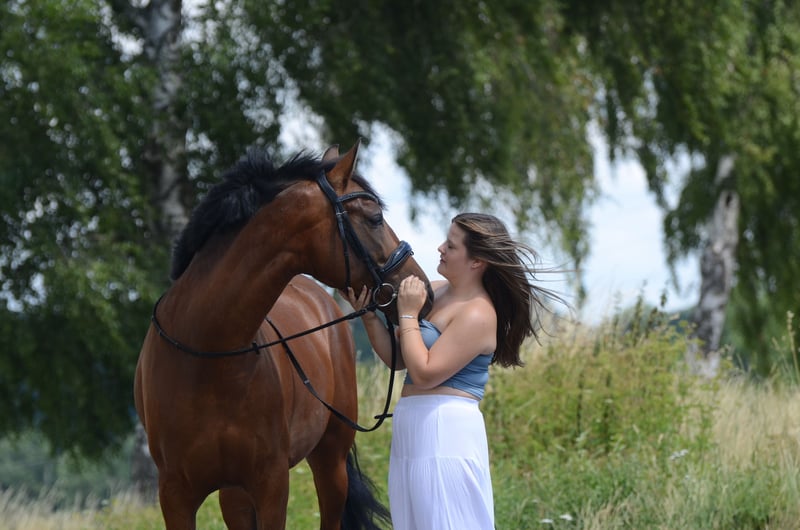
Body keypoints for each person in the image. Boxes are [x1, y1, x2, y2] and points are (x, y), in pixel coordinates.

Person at [345, 212, 563, 530]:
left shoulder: (478, 314)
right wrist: (367, 316)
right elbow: (399, 359)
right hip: (413, 427)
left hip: (445, 431)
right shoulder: (435, 291)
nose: (440, 248)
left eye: (451, 245)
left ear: (477, 261)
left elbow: (425, 373)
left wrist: (408, 315)